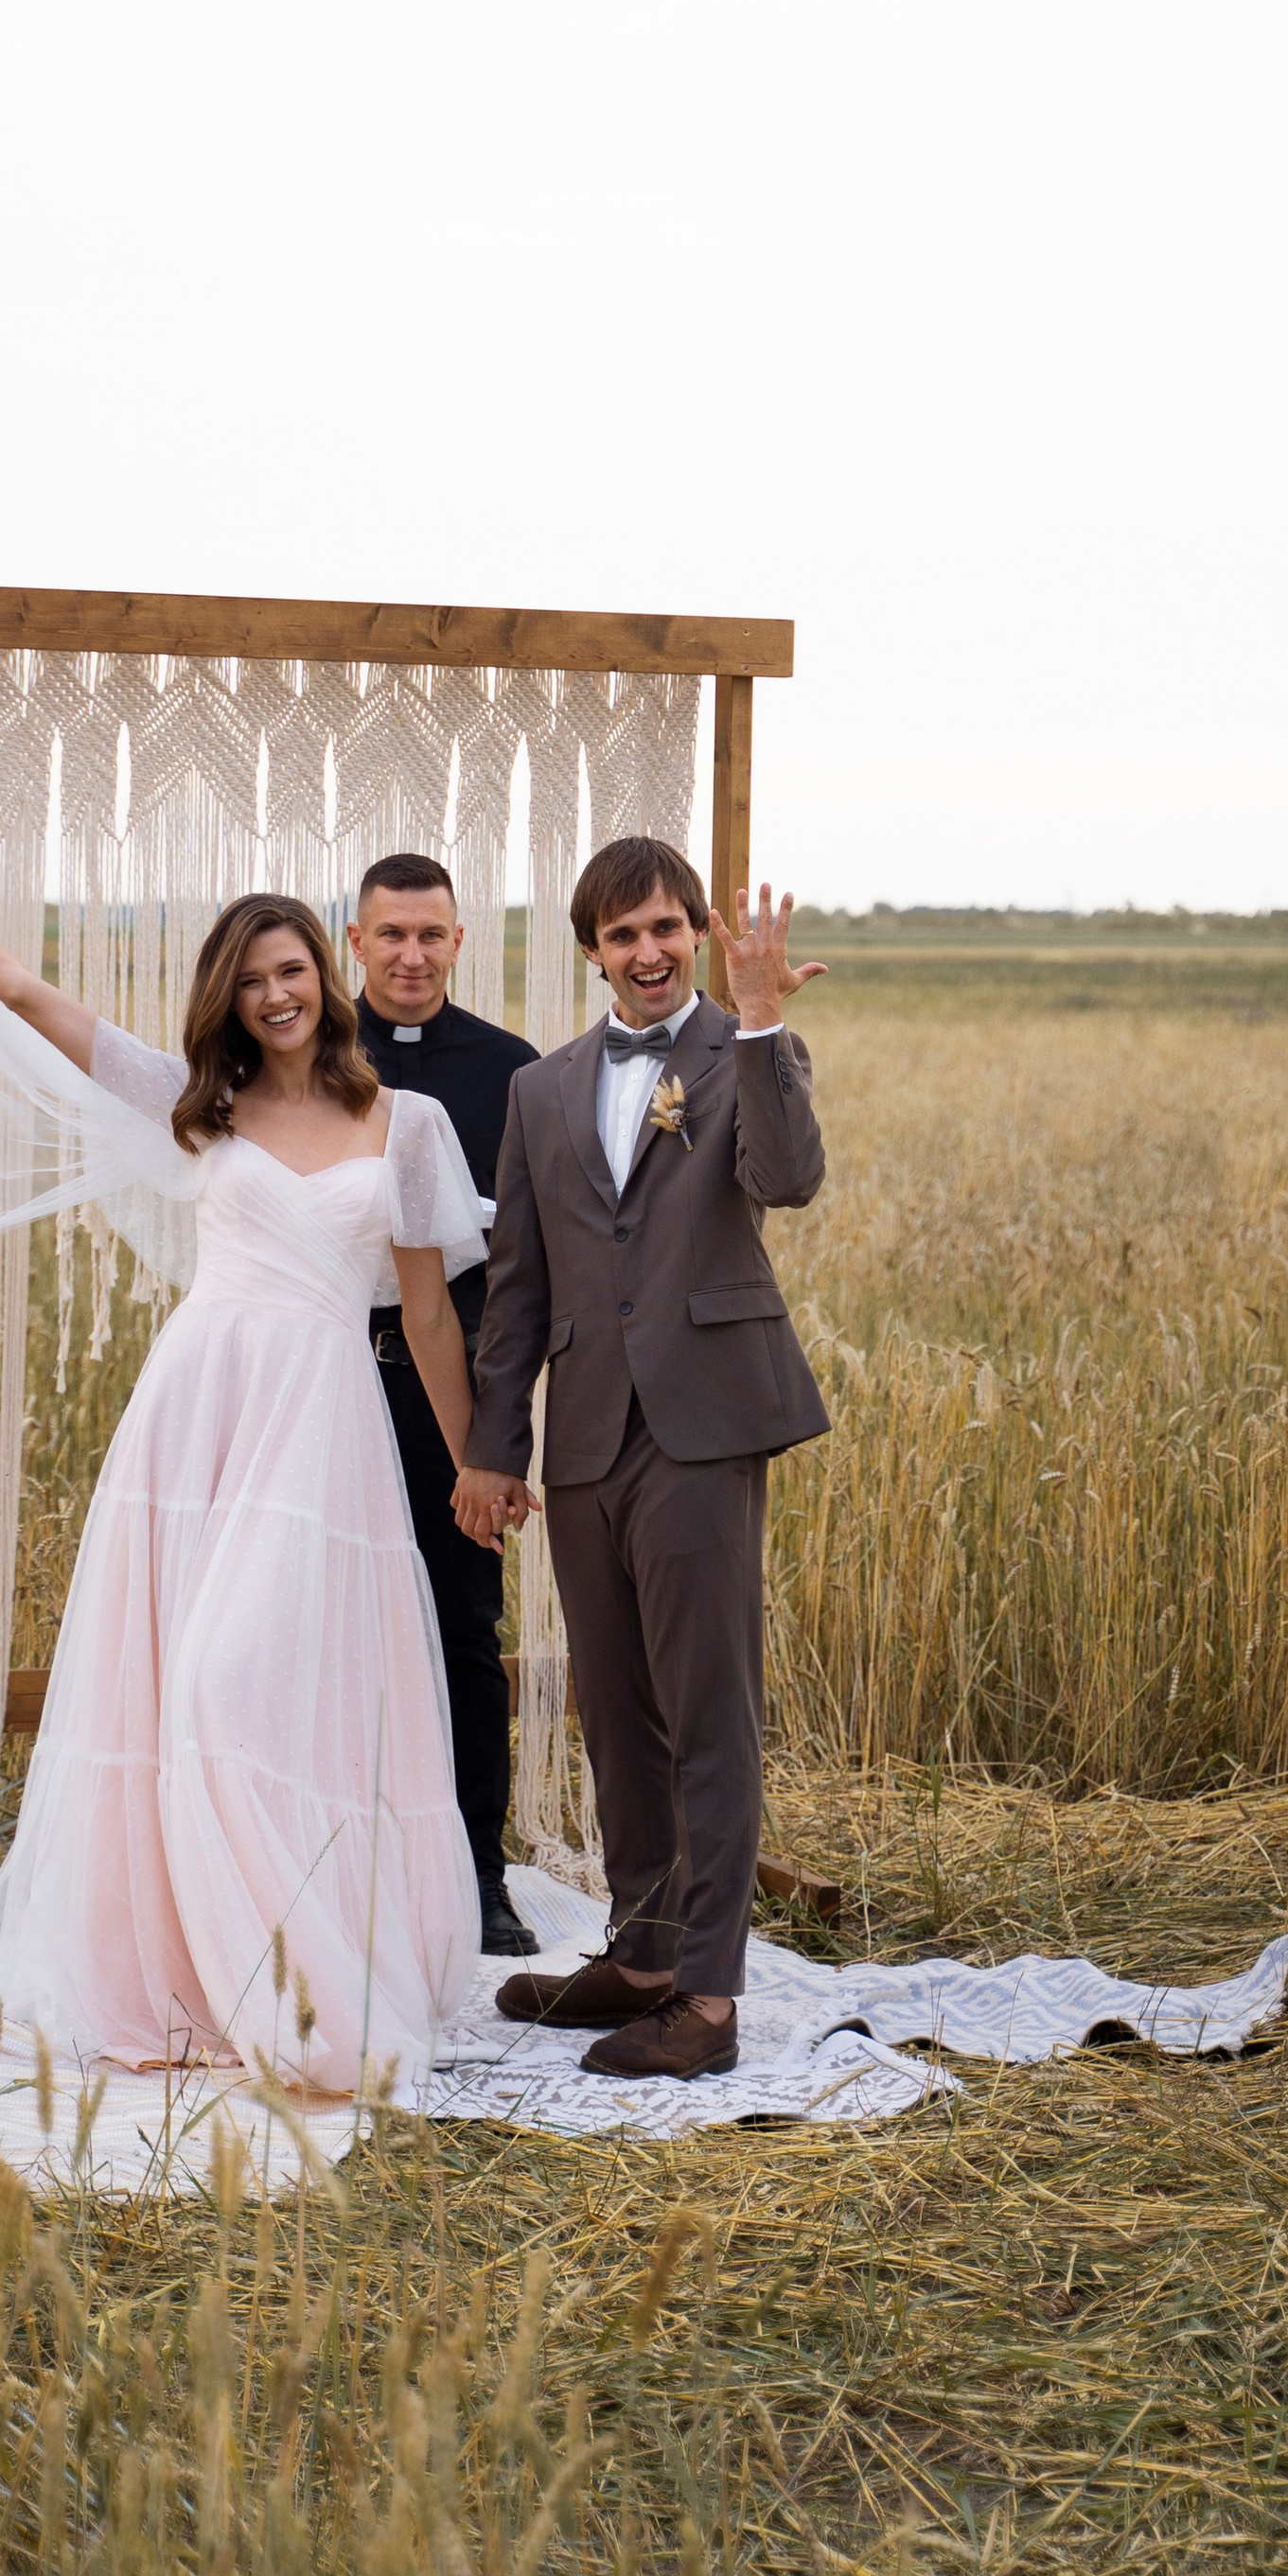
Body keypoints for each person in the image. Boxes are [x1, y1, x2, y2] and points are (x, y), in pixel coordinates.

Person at [0, 815, 490, 2097]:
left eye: (292, 968)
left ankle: (310, 1972)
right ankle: (198, 1971)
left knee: (260, 1687)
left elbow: (423, 1310)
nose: (277, 994)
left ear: (328, 967)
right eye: (251, 981)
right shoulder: (203, 1107)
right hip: (201, 1411)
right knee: (183, 1688)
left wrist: (475, 1466)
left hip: (324, 1426)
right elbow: (30, 995)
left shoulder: (405, 1125)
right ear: (231, 1002)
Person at [454, 842, 829, 2081]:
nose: (651, 952)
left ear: (692, 934)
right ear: (594, 952)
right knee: (616, 1711)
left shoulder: (743, 1053)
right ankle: (644, 1951)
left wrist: (765, 1022)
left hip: (705, 1421)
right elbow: (518, 1290)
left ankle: (708, 2006)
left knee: (705, 1713)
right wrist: (496, 1448)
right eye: (624, 936)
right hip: (587, 1438)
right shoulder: (543, 1090)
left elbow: (790, 1179)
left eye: (668, 927)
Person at [344, 854, 540, 1958]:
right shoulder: (308, 1057)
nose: (410, 955)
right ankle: (334, 1861)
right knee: (315, 1617)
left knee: (464, 1628)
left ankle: (480, 1873)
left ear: (459, 942)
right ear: (355, 941)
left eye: (431, 935)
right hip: (326, 1378)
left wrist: (495, 1438)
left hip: (449, 1392)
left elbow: (528, 1269)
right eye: (390, 935)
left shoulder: (512, 1073)